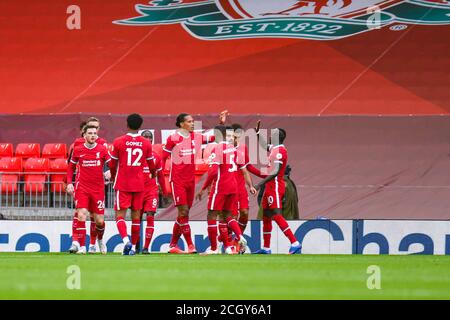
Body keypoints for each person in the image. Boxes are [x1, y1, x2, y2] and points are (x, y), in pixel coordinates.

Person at [161, 111, 227, 254]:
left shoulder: (196, 137)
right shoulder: (173, 139)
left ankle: (172, 245)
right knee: (183, 211)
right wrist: (159, 178)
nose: (192, 124)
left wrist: (221, 124)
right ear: (181, 124)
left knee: (184, 214)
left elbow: (214, 137)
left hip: (190, 182)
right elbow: (162, 158)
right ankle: (190, 245)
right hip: (177, 181)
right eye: (189, 121)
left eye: (192, 121)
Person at [195, 125, 256, 255]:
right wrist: (250, 185)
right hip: (234, 187)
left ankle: (213, 249)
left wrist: (203, 188)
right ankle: (238, 238)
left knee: (211, 214)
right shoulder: (235, 150)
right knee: (227, 215)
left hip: (220, 186)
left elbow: (212, 173)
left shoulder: (217, 149)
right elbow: (244, 170)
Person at [108, 113, 156, 255]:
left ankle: (125, 241)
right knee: (136, 216)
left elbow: (112, 163)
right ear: (140, 127)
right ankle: (134, 248)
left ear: (127, 124)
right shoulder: (146, 143)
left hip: (123, 183)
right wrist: (153, 173)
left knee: (120, 215)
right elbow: (151, 164)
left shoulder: (118, 141)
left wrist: (112, 175)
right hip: (139, 184)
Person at [251, 127, 302, 254]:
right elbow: (264, 146)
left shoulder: (281, 151)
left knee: (276, 214)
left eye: (273, 133)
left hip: (275, 186)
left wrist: (258, 185)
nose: (270, 134)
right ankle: (266, 248)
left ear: (277, 137)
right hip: (269, 186)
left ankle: (295, 242)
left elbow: (274, 172)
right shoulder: (274, 148)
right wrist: (257, 133)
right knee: (266, 216)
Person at [66, 125, 111, 254]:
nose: (92, 135)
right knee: (81, 215)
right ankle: (82, 247)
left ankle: (100, 240)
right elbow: (70, 168)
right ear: (84, 135)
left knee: (99, 221)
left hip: (98, 189)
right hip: (82, 187)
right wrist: (70, 183)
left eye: (94, 133)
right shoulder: (78, 149)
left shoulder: (102, 149)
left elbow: (110, 163)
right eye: (90, 133)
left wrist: (109, 171)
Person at [140, 130, 168, 254]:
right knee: (137, 218)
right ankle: (135, 246)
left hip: (151, 191)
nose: (147, 139)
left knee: (150, 216)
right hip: (138, 191)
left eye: (149, 137)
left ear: (152, 140)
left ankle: (146, 247)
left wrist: (165, 190)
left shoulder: (156, 157)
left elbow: (161, 176)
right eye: (144, 137)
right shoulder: (137, 155)